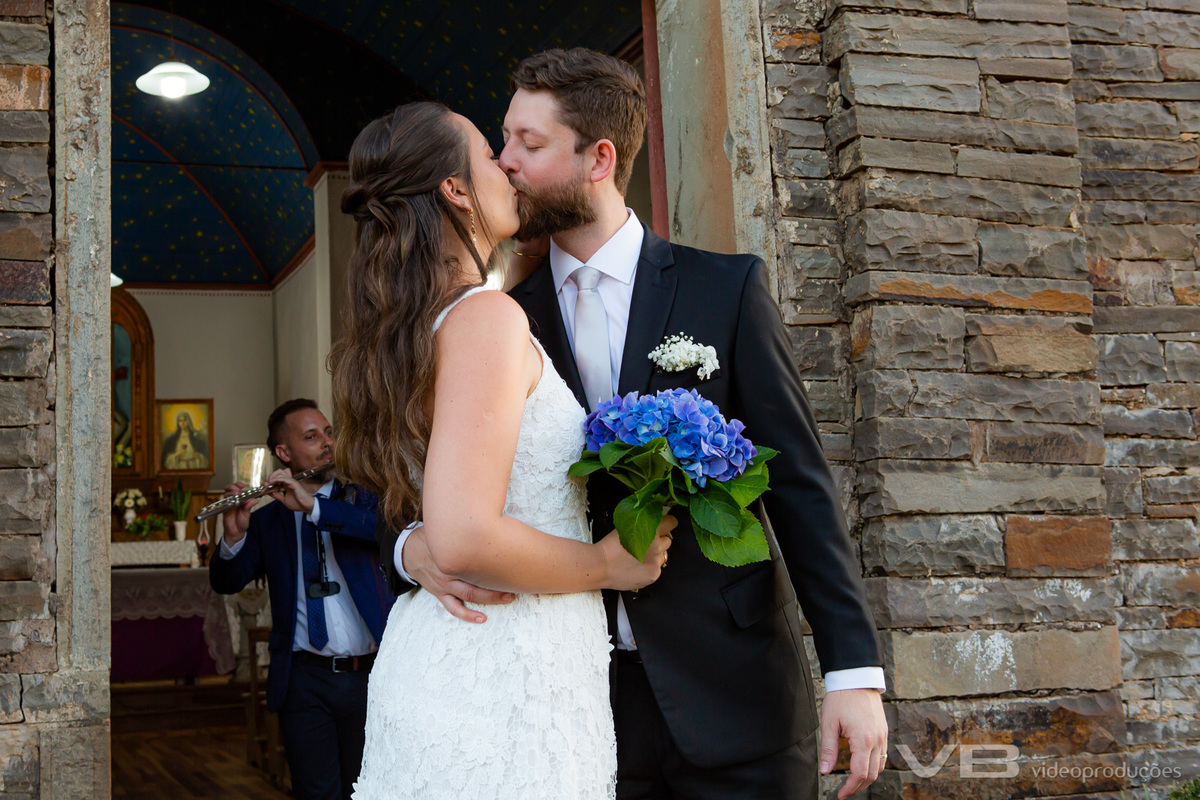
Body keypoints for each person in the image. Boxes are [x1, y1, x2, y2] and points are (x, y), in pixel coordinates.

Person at [382, 48, 890, 800]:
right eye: (503, 140)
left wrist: (853, 670)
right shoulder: (495, 322)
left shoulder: (725, 289)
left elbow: (800, 486)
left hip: (736, 694)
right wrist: (409, 548)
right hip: (574, 701)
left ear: (600, 159)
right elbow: (403, 480)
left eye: (529, 142)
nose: (506, 160)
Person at [329, 101, 675, 800]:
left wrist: (412, 547)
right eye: (491, 154)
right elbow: (463, 535)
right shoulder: (485, 317)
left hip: (469, 650)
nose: (509, 165)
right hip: (502, 674)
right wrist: (605, 564)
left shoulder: (408, 330)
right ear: (455, 189)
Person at [209, 398, 394, 800]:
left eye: (328, 432)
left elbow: (380, 531)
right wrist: (233, 537)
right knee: (315, 794)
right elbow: (227, 581)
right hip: (304, 681)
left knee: (369, 791)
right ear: (284, 452)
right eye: (311, 437)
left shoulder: (362, 499)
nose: (327, 443)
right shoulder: (267, 520)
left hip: (369, 676)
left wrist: (313, 507)